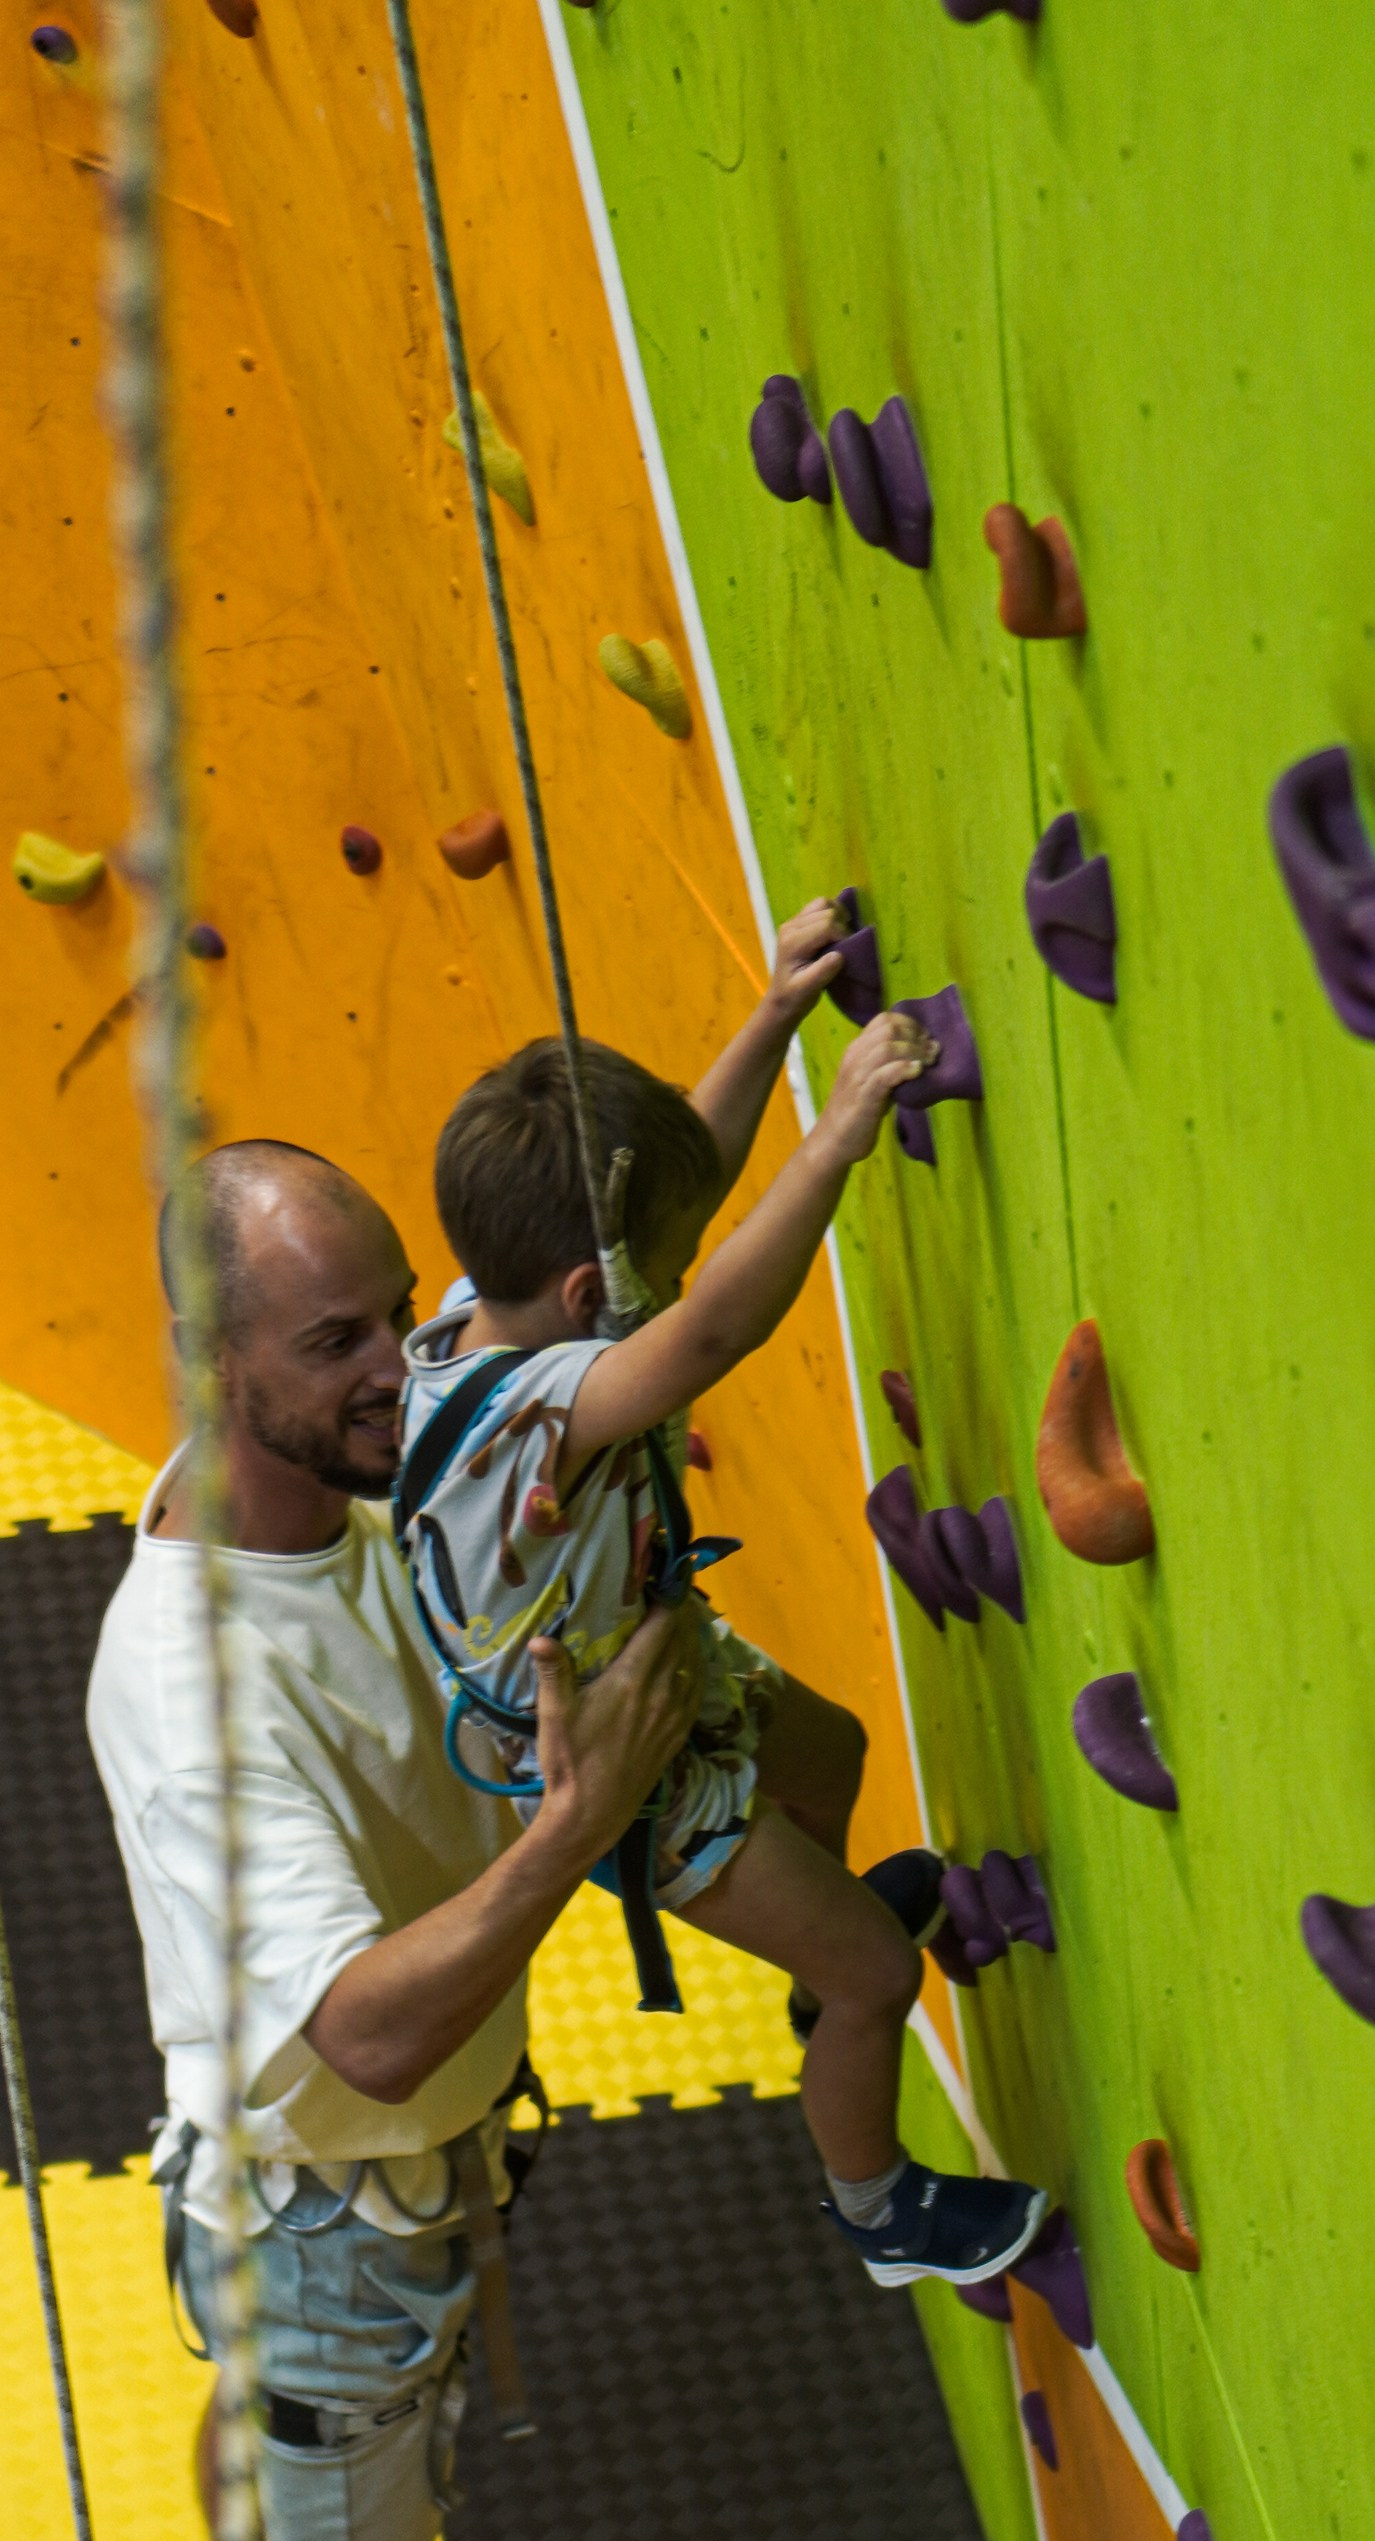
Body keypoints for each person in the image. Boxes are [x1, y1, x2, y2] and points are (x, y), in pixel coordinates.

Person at [87, 1141, 702, 2541]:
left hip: (323, 2186)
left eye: (394, 1309)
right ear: (212, 1364)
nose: (398, 1367)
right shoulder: (195, 1693)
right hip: (334, 2197)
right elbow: (356, 2029)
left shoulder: (338, 1470)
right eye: (339, 1339)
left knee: (273, 2444)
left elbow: (555, 1333)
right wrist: (575, 1825)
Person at [399, 912, 1048, 2294]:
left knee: (837, 1759)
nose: (661, 1273)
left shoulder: (491, 1306)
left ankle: (820, 1955)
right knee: (884, 1979)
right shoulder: (543, 1414)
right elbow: (709, 1326)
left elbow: (658, 1203)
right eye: (636, 1276)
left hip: (654, 1662)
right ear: (592, 1296)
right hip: (628, 1777)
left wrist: (771, 1018)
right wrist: (837, 1135)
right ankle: (877, 2207)